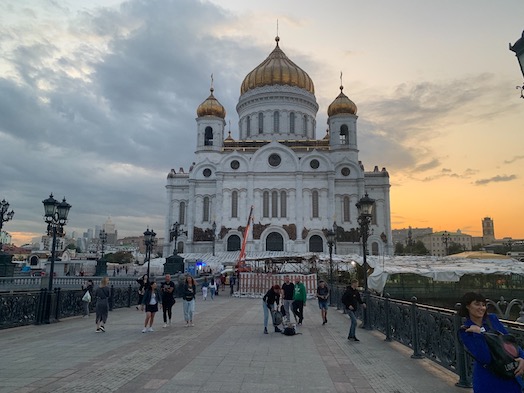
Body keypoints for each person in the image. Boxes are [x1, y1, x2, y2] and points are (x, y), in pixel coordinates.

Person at [459, 292, 524, 393]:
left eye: (483, 305)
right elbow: (485, 358)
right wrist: (478, 334)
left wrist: (522, 358)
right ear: (467, 306)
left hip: (509, 375)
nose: (481, 308)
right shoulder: (466, 331)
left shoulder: (492, 319)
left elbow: (509, 342)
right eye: (477, 304)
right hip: (489, 380)